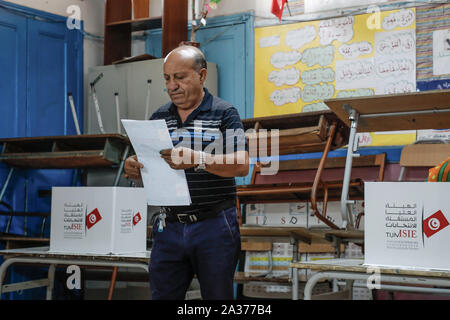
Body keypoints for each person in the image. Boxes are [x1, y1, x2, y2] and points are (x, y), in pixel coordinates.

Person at [124, 45, 249, 300]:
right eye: (167, 79)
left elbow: (242, 164)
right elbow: (151, 167)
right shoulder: (159, 116)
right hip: (168, 226)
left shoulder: (225, 113)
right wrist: (135, 168)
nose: (172, 86)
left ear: (202, 76)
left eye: (180, 77)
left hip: (213, 226)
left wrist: (198, 160)